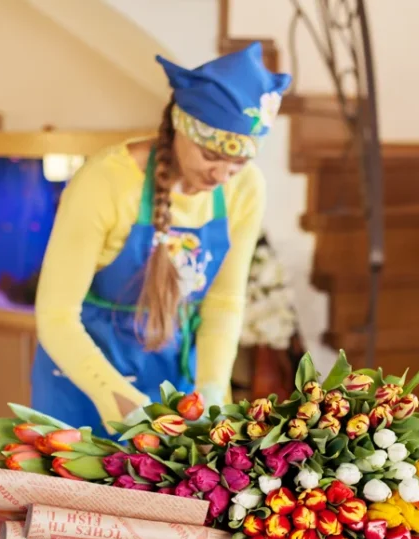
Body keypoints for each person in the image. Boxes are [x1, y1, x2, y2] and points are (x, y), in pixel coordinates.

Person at [30, 42, 291, 436]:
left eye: (238, 162)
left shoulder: (246, 190)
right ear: (181, 126)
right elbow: (56, 315)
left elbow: (223, 301)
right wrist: (117, 400)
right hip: (85, 378)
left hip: (173, 378)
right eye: (211, 155)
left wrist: (212, 390)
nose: (222, 175)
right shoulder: (105, 182)